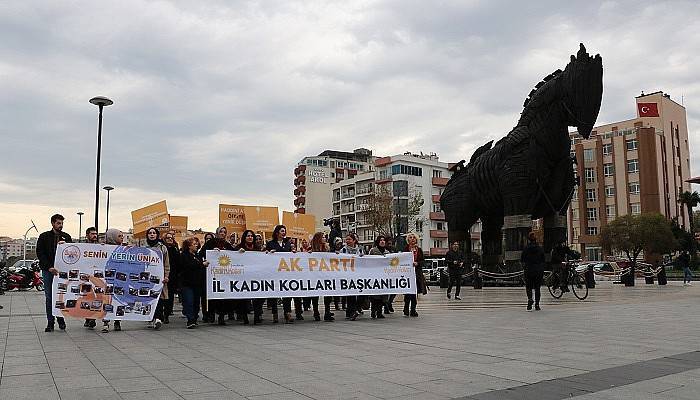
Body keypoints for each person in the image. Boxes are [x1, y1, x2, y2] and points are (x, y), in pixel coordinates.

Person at [37, 214, 73, 332]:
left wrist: (66, 245)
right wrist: (49, 267)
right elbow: (40, 253)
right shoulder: (44, 236)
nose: (60, 225)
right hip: (48, 271)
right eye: (58, 223)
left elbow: (72, 252)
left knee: (61, 295)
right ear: (52, 223)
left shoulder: (66, 237)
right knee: (49, 297)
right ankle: (50, 322)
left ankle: (60, 318)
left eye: (62, 223)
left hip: (62, 272)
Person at [199, 227, 237, 325]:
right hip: (213, 274)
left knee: (223, 297)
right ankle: (210, 314)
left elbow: (235, 255)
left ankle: (221, 316)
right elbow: (202, 253)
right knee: (212, 296)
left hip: (224, 275)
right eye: (221, 232)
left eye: (225, 232)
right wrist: (211, 251)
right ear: (217, 233)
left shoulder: (227, 245)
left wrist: (239, 251)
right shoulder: (210, 243)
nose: (223, 234)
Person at [266, 225, 301, 323]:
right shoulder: (271, 243)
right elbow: (265, 255)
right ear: (277, 232)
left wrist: (293, 253)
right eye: (282, 231)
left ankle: (287, 313)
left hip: (285, 272)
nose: (284, 233)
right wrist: (269, 253)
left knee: (287, 293)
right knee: (274, 293)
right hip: (274, 272)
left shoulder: (288, 244)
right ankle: (275, 313)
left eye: (285, 231)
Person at [180, 237, 209, 328]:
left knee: (196, 302)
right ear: (189, 246)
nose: (196, 245)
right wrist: (201, 264)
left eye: (197, 244)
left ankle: (194, 318)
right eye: (194, 244)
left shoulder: (198, 256)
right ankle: (190, 319)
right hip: (187, 283)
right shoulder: (183, 255)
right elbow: (188, 266)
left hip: (197, 283)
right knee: (189, 301)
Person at [102, 229, 124, 332]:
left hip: (120, 279)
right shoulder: (104, 249)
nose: (122, 238)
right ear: (113, 237)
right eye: (119, 236)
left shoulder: (124, 249)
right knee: (108, 300)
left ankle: (117, 321)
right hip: (109, 279)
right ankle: (106, 322)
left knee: (118, 299)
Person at [309, 232, 333, 321]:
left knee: (328, 293)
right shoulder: (311, 249)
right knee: (315, 294)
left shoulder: (327, 249)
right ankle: (316, 311)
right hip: (315, 274)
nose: (325, 239)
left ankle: (327, 312)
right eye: (323, 237)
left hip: (326, 274)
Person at [341, 233, 364, 321]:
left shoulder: (360, 250)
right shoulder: (343, 250)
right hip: (348, 275)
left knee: (361, 294)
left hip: (358, 274)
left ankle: (356, 309)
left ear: (354, 240)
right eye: (346, 239)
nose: (347, 241)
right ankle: (351, 312)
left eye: (349, 239)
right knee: (350, 294)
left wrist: (363, 257)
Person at [404, 232, 427, 317]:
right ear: (408, 240)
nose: (412, 239)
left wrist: (417, 263)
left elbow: (423, 261)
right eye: (410, 237)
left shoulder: (419, 250)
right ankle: (406, 308)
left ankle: (413, 309)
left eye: (414, 237)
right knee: (407, 293)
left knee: (414, 292)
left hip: (416, 274)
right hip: (407, 274)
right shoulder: (405, 249)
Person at [521, 232, 545, 311]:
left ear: (528, 240)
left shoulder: (526, 248)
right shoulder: (540, 248)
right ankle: (537, 305)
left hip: (529, 269)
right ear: (535, 240)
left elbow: (522, 260)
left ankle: (530, 299)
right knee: (537, 288)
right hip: (538, 270)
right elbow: (543, 259)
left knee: (529, 287)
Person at [368, 235, 389, 319]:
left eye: (384, 240)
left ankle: (379, 312)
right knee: (375, 296)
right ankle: (373, 311)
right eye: (380, 240)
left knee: (382, 296)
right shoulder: (373, 251)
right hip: (375, 275)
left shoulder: (387, 252)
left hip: (384, 276)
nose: (382, 241)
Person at [162, 232, 180, 324]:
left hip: (172, 276)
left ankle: (166, 314)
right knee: (162, 296)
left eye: (171, 238)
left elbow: (178, 263)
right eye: (168, 238)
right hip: (162, 275)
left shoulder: (174, 249)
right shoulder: (161, 248)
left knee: (170, 297)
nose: (170, 239)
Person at [83, 227, 99, 330]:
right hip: (85, 276)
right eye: (92, 234)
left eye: (96, 234)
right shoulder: (82, 246)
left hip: (96, 276)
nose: (95, 236)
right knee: (87, 297)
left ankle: (92, 318)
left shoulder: (99, 247)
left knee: (95, 296)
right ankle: (88, 318)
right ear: (87, 235)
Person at [384, 237, 398, 314]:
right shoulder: (382, 249)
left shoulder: (394, 249)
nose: (390, 244)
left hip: (393, 272)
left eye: (391, 243)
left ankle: (389, 302)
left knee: (394, 290)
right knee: (386, 291)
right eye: (388, 243)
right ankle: (386, 306)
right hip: (384, 273)